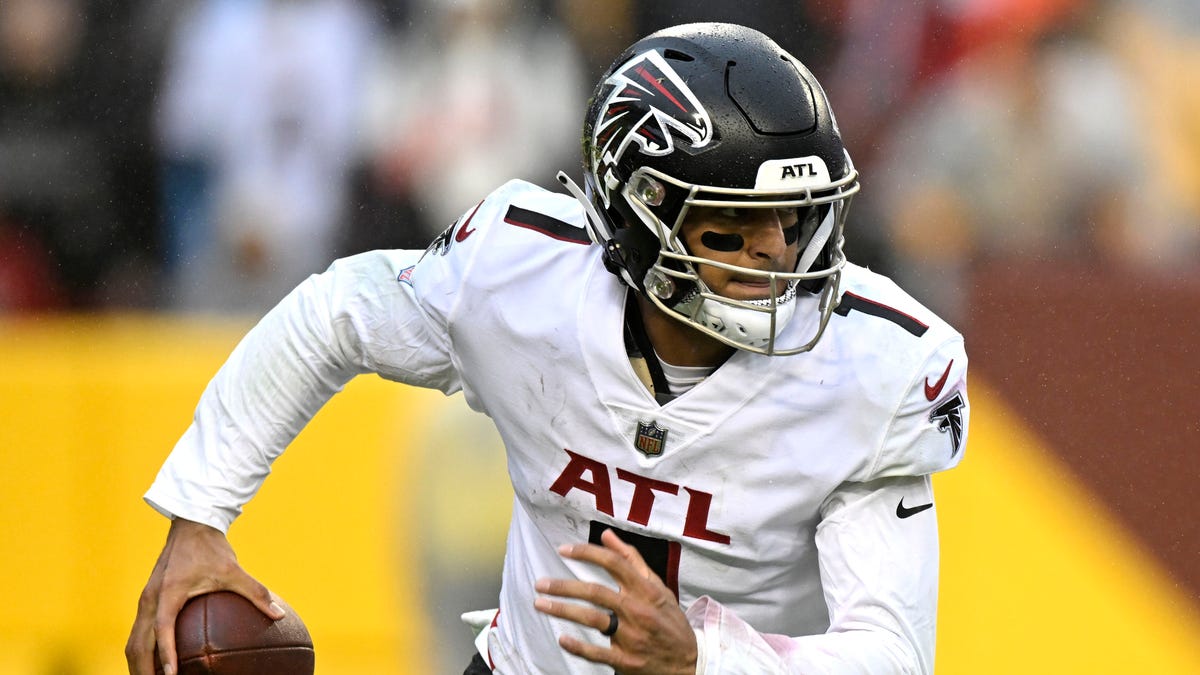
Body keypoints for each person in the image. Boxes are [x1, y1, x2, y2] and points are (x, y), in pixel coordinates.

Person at [125, 22, 969, 675]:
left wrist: (701, 659)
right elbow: (333, 314)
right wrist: (198, 518)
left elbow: (892, 655)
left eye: (794, 219)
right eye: (732, 224)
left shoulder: (878, 369)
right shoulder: (520, 274)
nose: (776, 252)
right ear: (641, 216)